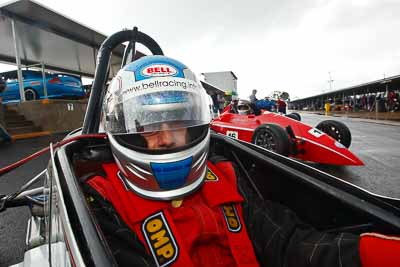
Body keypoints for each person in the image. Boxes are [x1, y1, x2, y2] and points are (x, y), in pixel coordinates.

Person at [84, 55, 400, 267]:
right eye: (149, 126)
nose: (165, 138)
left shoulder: (224, 174)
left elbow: (288, 241)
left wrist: (366, 253)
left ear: (194, 123)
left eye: (176, 122)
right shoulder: (102, 202)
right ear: (125, 128)